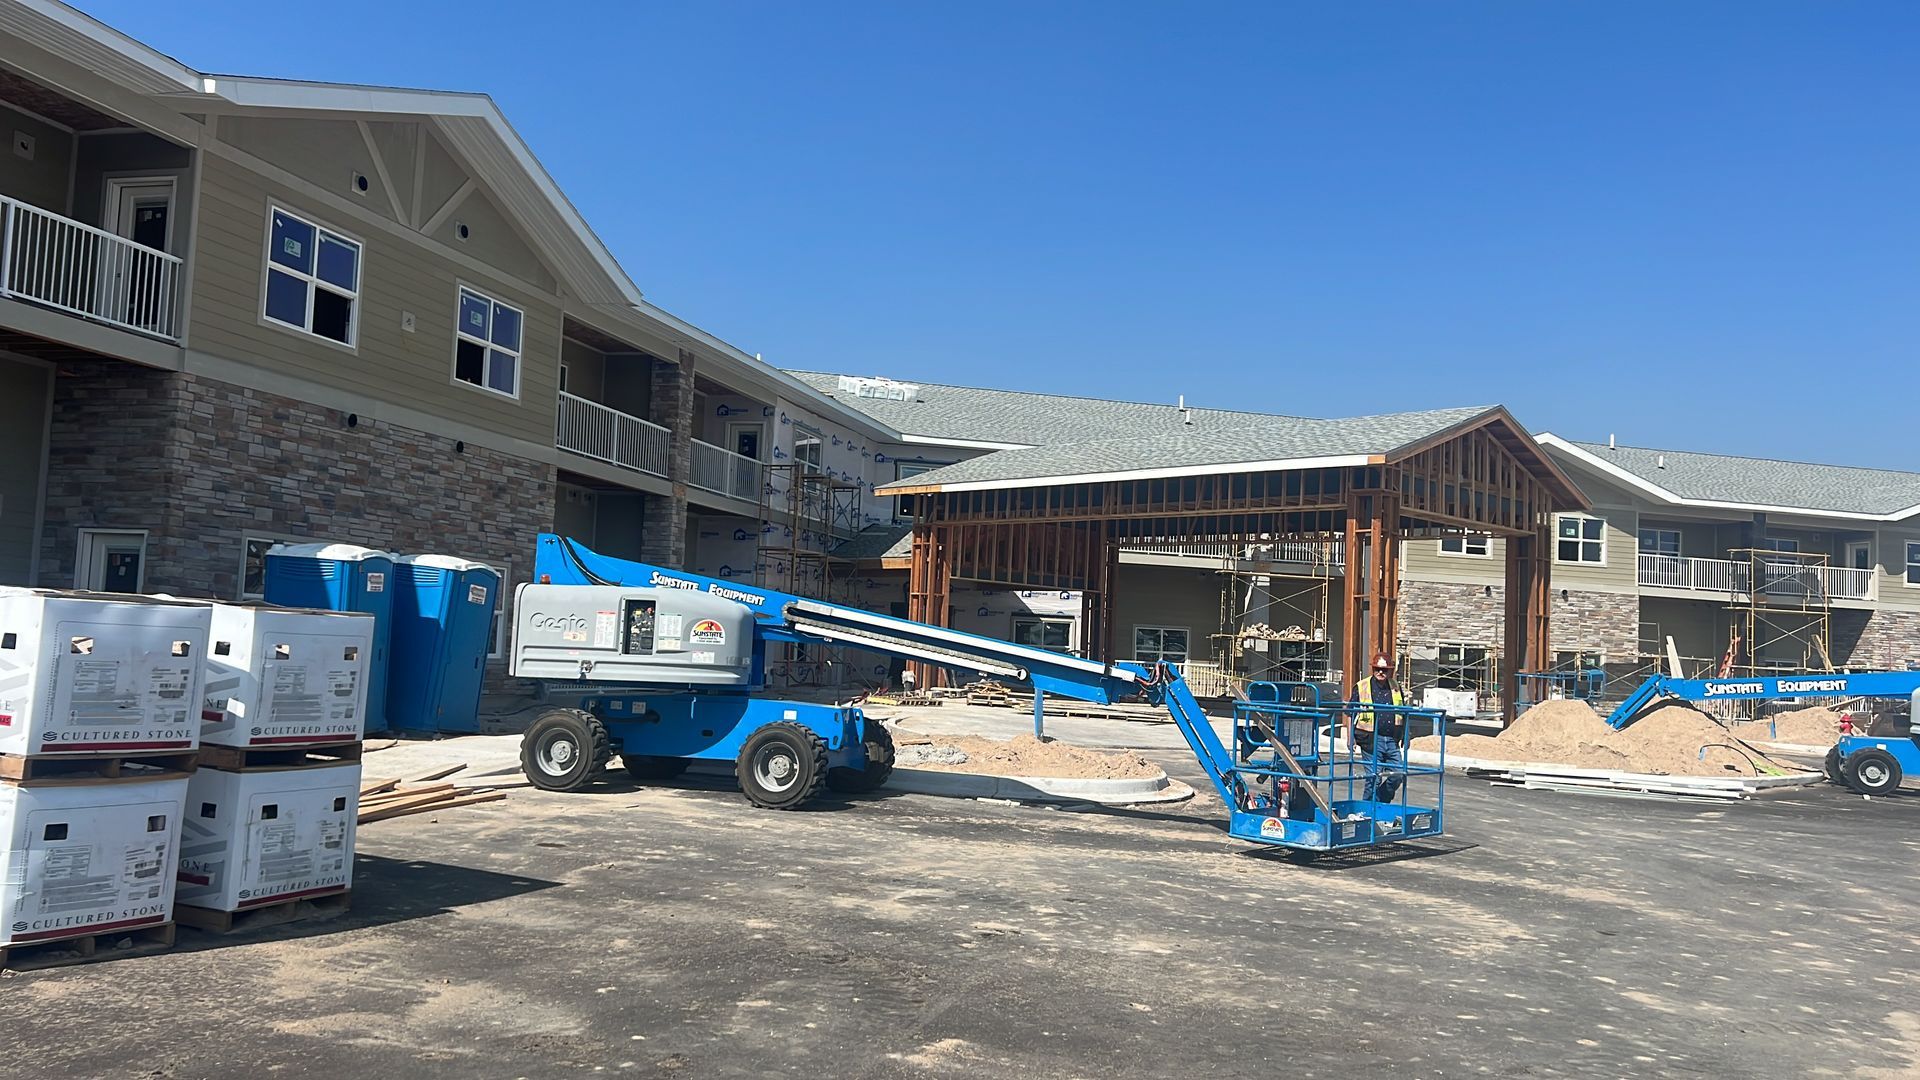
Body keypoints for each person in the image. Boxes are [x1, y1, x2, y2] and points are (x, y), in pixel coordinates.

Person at [1351, 652, 1407, 803]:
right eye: (1377, 669)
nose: (1381, 672)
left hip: (1391, 740)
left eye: (1384, 670)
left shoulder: (1395, 687)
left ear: (1390, 671)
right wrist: (1351, 738)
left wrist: (1406, 735)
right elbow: (1352, 712)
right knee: (1373, 778)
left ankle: (1380, 801)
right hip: (1370, 740)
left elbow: (1403, 711)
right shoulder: (1362, 686)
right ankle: (1367, 809)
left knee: (1398, 774)